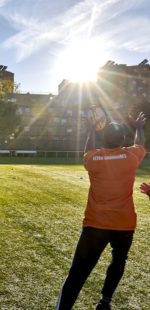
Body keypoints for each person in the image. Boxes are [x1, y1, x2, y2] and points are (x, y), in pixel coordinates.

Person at [56, 112, 146, 310]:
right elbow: (141, 145)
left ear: (102, 139)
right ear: (123, 139)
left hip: (95, 224)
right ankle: (105, 302)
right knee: (119, 260)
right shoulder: (131, 156)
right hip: (124, 223)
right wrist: (139, 128)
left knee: (78, 272)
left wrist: (90, 130)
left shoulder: (94, 158)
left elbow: (88, 151)